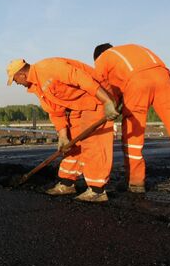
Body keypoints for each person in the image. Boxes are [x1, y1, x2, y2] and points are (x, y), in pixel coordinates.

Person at [93, 43, 170, 197]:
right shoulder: (132, 48)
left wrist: (109, 106)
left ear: (97, 57)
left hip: (137, 82)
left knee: (133, 137)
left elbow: (102, 89)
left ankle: (135, 182)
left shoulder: (103, 58)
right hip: (163, 79)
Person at [7, 58, 119, 202]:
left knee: (93, 143)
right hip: (79, 105)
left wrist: (107, 101)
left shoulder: (49, 68)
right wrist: (62, 136)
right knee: (71, 143)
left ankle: (97, 190)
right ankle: (67, 183)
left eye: (14, 80)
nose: (16, 83)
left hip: (98, 96)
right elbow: (55, 111)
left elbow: (83, 79)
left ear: (21, 74)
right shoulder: (37, 86)